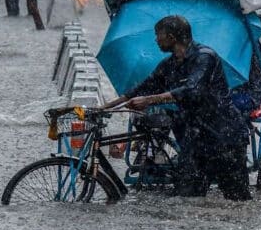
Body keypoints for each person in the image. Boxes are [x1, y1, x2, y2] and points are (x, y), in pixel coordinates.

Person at [102, 15, 252, 201]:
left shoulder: (205, 57)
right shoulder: (169, 64)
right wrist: (105, 108)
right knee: (187, 197)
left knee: (237, 200)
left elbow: (192, 89)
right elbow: (142, 88)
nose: (156, 40)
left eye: (158, 35)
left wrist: (149, 100)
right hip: (196, 139)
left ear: (171, 37)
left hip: (224, 136)